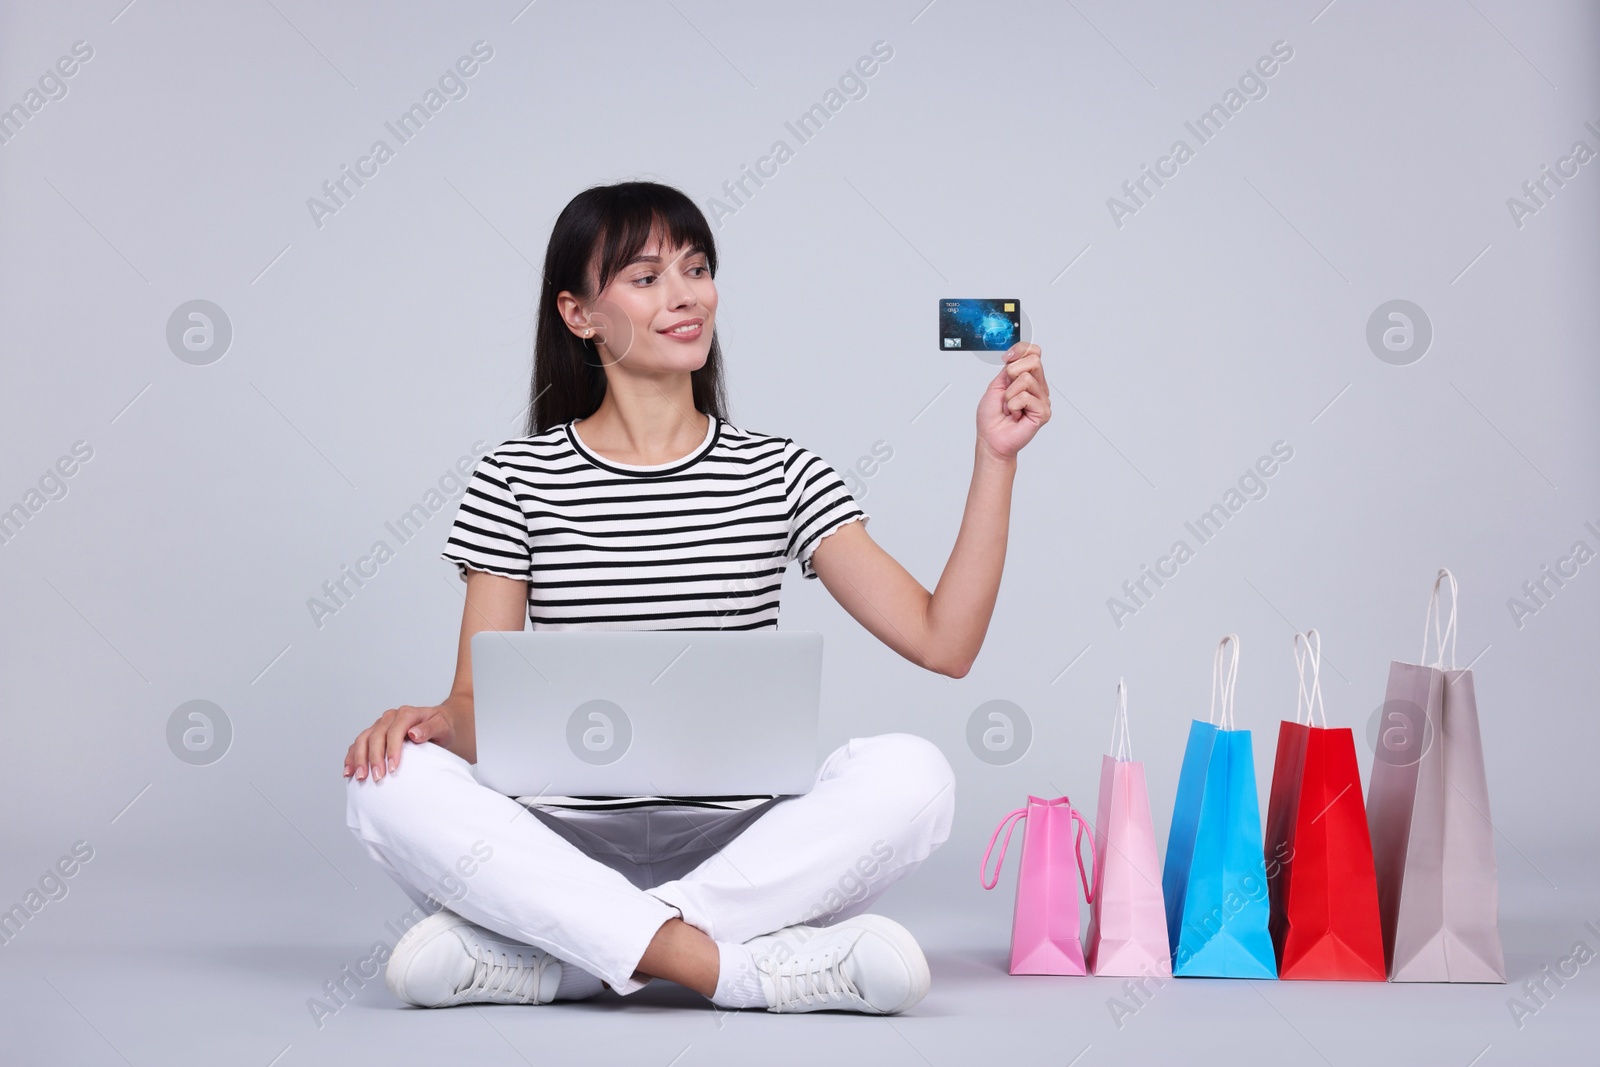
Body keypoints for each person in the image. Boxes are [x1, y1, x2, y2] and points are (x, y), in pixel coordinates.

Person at [343, 180, 1051, 1015]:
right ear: (578, 314)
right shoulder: (514, 478)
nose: (685, 296)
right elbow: (476, 706)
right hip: (561, 841)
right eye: (645, 278)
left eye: (697, 267)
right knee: (382, 783)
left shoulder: (779, 470)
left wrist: (996, 457)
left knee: (917, 776)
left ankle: (568, 956)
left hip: (743, 850)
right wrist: (428, 724)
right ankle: (734, 971)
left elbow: (945, 641)